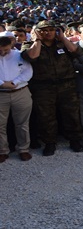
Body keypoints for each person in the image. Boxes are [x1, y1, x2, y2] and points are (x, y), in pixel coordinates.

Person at [21, 21, 83, 156]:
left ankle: (75, 140)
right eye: (44, 30)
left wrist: (62, 38)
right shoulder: (29, 45)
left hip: (67, 86)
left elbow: (77, 52)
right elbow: (32, 56)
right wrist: (37, 40)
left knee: (71, 114)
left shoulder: (62, 43)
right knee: (46, 116)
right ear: (37, 31)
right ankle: (50, 143)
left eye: (51, 30)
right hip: (43, 87)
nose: (48, 32)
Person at [0, 32, 33, 162]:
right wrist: (3, 84)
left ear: (11, 45)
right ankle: (2, 150)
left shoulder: (19, 55)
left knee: (22, 123)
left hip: (20, 92)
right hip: (1, 94)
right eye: (0, 50)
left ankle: (23, 149)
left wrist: (15, 82)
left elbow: (28, 71)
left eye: (5, 50)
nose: (2, 53)